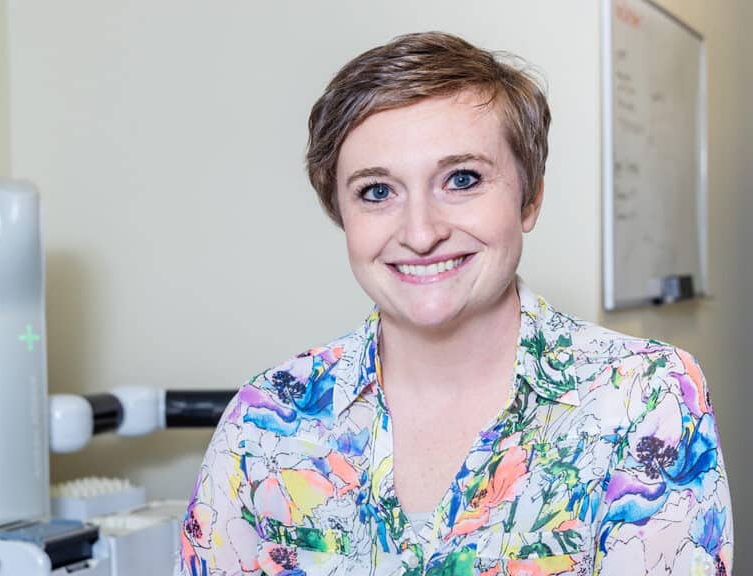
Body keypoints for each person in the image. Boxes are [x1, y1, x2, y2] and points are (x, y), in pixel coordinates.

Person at [177, 32, 732, 575]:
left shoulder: (643, 399)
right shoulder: (265, 421)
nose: (420, 233)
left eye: (462, 179)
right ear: (340, 214)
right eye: (377, 191)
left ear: (530, 197)